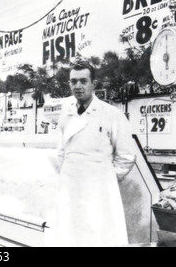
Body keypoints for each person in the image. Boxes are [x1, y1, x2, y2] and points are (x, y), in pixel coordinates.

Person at [53, 60, 136, 247]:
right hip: (70, 189)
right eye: (73, 82)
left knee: (99, 238)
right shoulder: (65, 116)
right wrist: (70, 176)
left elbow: (126, 157)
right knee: (70, 237)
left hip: (100, 193)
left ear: (94, 84)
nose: (78, 86)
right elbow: (61, 153)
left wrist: (104, 178)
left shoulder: (111, 114)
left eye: (83, 81)